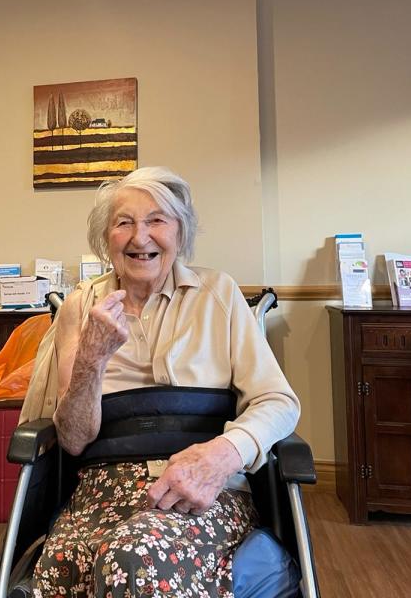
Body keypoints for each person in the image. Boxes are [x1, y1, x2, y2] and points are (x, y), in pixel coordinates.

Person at [20, 166, 300, 598]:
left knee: (133, 555)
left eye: (156, 220)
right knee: (59, 571)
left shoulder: (218, 294)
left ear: (180, 231)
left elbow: (279, 401)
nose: (140, 237)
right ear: (105, 237)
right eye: (124, 222)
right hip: (101, 489)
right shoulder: (82, 306)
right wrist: (91, 358)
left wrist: (221, 456)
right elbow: (74, 441)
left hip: (207, 488)